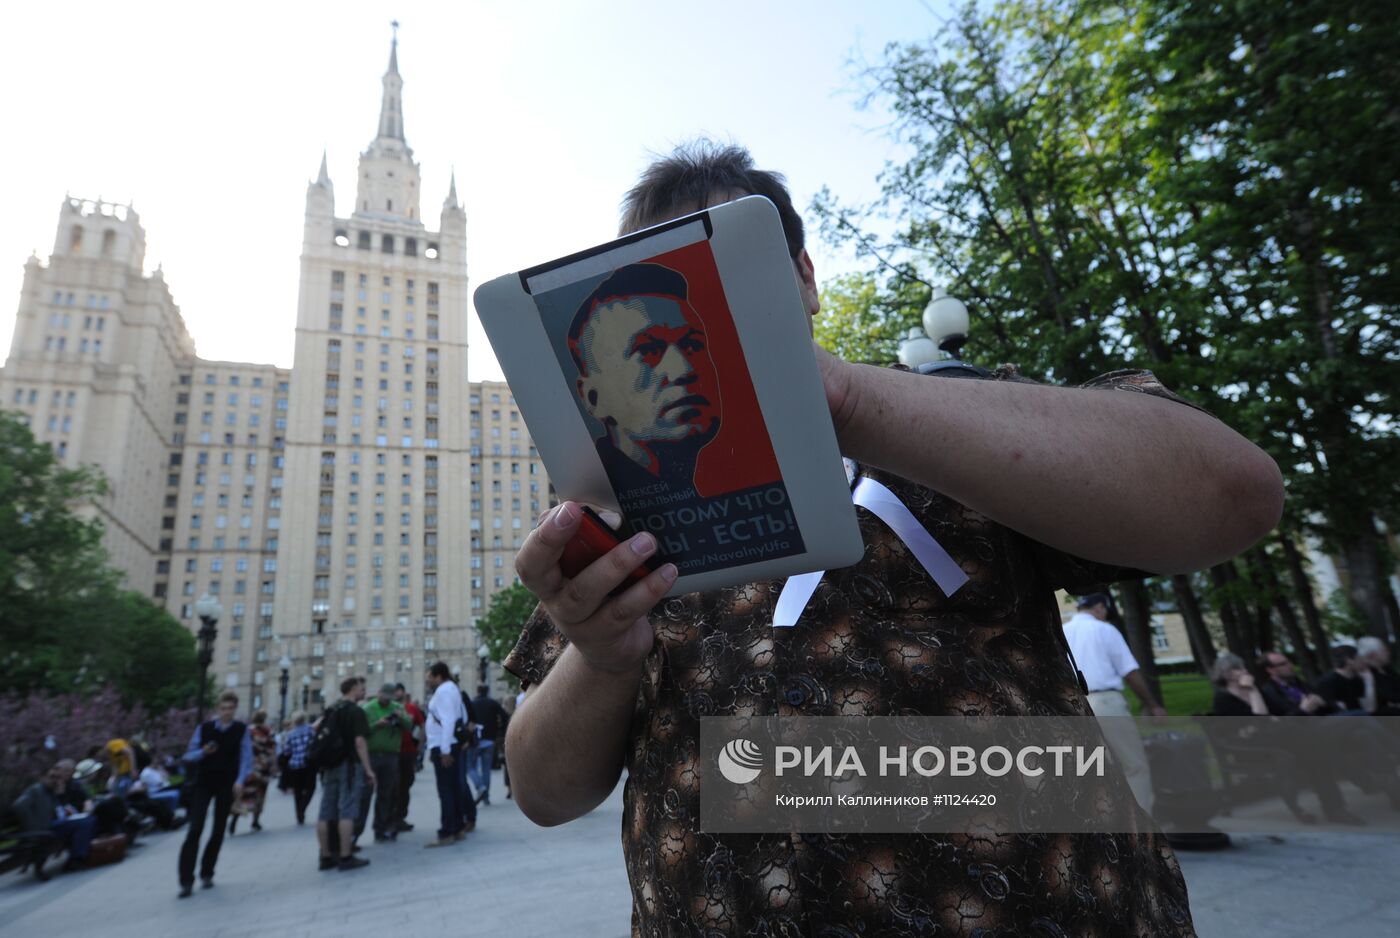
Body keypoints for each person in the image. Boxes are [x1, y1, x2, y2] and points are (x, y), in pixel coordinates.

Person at [506, 142, 1286, 936]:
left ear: (805, 281)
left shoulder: (953, 422)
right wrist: (601, 656)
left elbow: (1237, 494)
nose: (686, 350)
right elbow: (542, 791)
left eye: (722, 286)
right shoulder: (612, 522)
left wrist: (848, 399)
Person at [567, 263, 720, 494]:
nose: (684, 369)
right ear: (593, 398)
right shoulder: (591, 504)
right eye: (649, 350)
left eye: (692, 344)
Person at [1209, 652, 1357, 824]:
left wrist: (1257, 699)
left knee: (1313, 750)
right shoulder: (1223, 698)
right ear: (1226, 674)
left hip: (1277, 738)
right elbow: (1261, 720)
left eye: (1242, 667)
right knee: (1312, 744)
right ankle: (1336, 803)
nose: (1244, 671)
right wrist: (1252, 690)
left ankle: (1335, 809)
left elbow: (1276, 717)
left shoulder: (1255, 691)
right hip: (1252, 750)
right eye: (1237, 669)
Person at [1062, 592, 1168, 813]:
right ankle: (1141, 829)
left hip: (1072, 705)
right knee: (1134, 766)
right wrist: (1152, 703)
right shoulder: (1105, 630)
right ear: (1100, 607)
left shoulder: (1063, 631)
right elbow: (1129, 672)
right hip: (1106, 702)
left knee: (1089, 768)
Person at [177, 690, 251, 898]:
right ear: (218, 709)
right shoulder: (205, 728)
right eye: (223, 708)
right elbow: (189, 755)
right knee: (195, 829)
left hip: (226, 784)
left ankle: (207, 872)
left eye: (230, 708)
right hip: (204, 783)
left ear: (235, 709)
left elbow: (246, 758)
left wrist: (240, 780)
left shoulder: (241, 730)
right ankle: (186, 880)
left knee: (218, 829)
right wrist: (203, 752)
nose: (226, 712)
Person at [316, 677, 375, 872]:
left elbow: (316, 729)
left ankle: (325, 856)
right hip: (349, 766)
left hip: (329, 766)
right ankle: (345, 855)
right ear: (352, 689)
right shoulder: (355, 711)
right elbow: (360, 742)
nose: (364, 691)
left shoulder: (332, 708)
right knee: (347, 810)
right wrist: (368, 769)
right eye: (361, 688)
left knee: (326, 811)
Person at [11, 760, 97, 873]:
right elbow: (19, 806)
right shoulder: (36, 790)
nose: (55, 780)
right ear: (42, 777)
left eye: (57, 777)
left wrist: (60, 795)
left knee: (89, 820)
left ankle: (82, 856)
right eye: (51, 777)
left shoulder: (52, 791)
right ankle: (75, 859)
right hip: (46, 828)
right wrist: (34, 825)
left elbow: (63, 810)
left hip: (55, 824)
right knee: (84, 823)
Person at [424, 661, 467, 848]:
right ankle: (457, 827)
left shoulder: (444, 691)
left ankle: (447, 831)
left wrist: (444, 750)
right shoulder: (451, 689)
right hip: (447, 744)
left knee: (446, 790)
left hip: (445, 746)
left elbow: (449, 720)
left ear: (438, 676)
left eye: (430, 678)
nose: (428, 682)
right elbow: (461, 716)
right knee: (453, 787)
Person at [360, 683, 407, 842]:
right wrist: (376, 725)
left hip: (391, 756)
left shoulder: (397, 707)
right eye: (384, 697)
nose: (387, 701)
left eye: (389, 698)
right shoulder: (368, 708)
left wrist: (401, 718)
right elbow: (361, 732)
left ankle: (381, 829)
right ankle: (355, 832)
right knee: (365, 795)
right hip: (371, 756)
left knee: (386, 794)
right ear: (378, 693)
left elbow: (409, 725)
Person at [229, 710, 275, 835]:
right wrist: (273, 765)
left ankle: (235, 818)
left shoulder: (247, 731)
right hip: (263, 767)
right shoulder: (268, 731)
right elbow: (272, 750)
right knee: (260, 794)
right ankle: (255, 820)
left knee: (246, 795)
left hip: (249, 767)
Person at [392, 685, 426, 833]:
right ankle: (390, 818)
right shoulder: (388, 708)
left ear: (404, 693)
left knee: (406, 784)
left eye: (399, 691)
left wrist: (420, 745)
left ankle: (400, 817)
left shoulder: (412, 708)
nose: (397, 694)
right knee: (393, 786)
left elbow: (422, 725)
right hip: (392, 752)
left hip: (409, 751)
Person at [468, 684, 508, 805]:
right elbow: (505, 716)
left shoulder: (472, 703)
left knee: (470, 766)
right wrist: (499, 729)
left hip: (475, 740)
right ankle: (486, 796)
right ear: (488, 691)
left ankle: (480, 786)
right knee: (486, 769)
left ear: (477, 691)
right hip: (490, 740)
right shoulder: (492, 703)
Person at [281, 712, 317, 825]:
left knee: (298, 791)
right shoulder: (311, 730)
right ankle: (303, 807)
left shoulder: (290, 734)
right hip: (308, 764)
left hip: (295, 765)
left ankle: (299, 813)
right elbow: (316, 744)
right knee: (311, 787)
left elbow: (286, 751)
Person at [1315, 645, 1368, 712]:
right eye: (1359, 658)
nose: (1363, 662)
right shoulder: (1328, 683)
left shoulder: (1358, 680)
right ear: (1349, 660)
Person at [1356, 636, 1400, 714]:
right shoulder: (1363, 675)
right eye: (1384, 650)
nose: (1388, 653)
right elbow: (1370, 709)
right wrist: (1369, 682)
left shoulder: (1387, 669)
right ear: (1373, 655)